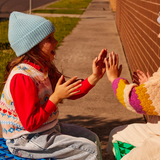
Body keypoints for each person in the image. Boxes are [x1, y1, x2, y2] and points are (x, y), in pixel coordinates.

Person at [0, 11, 107, 160]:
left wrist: (95, 77)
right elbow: (30, 123)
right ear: (32, 47)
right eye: (49, 38)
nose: (56, 41)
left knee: (92, 138)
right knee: (90, 151)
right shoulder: (22, 77)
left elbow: (71, 91)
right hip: (25, 140)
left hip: (46, 129)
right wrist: (55, 97)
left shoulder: (42, 68)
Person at [104, 13, 160, 160]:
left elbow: (135, 99)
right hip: (156, 130)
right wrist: (150, 87)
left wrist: (114, 79)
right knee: (117, 135)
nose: (159, 36)